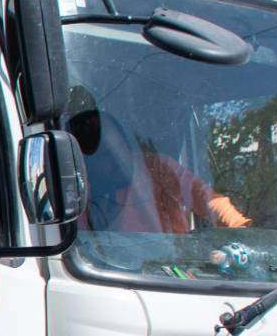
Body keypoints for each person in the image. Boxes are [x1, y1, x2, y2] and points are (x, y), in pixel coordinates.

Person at [69, 93, 250, 233]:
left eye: (119, 149)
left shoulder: (156, 167)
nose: (116, 160)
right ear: (86, 162)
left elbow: (205, 197)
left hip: (171, 268)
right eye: (105, 155)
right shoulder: (79, 193)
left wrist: (237, 225)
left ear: (127, 144)